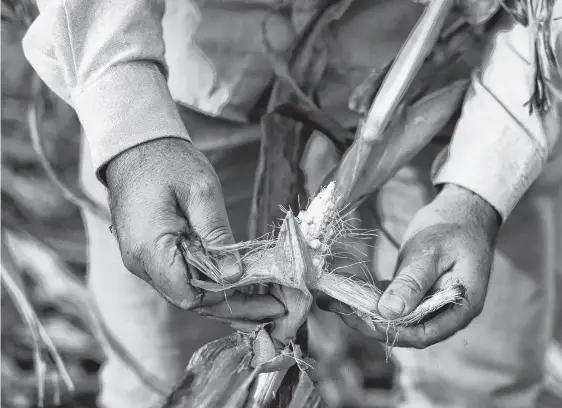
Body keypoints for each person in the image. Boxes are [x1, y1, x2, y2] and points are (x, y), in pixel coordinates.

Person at [22, 0, 562, 407]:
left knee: (480, 381)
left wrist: (476, 193)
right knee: (158, 375)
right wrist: (133, 127)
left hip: (460, 76)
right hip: (187, 86)